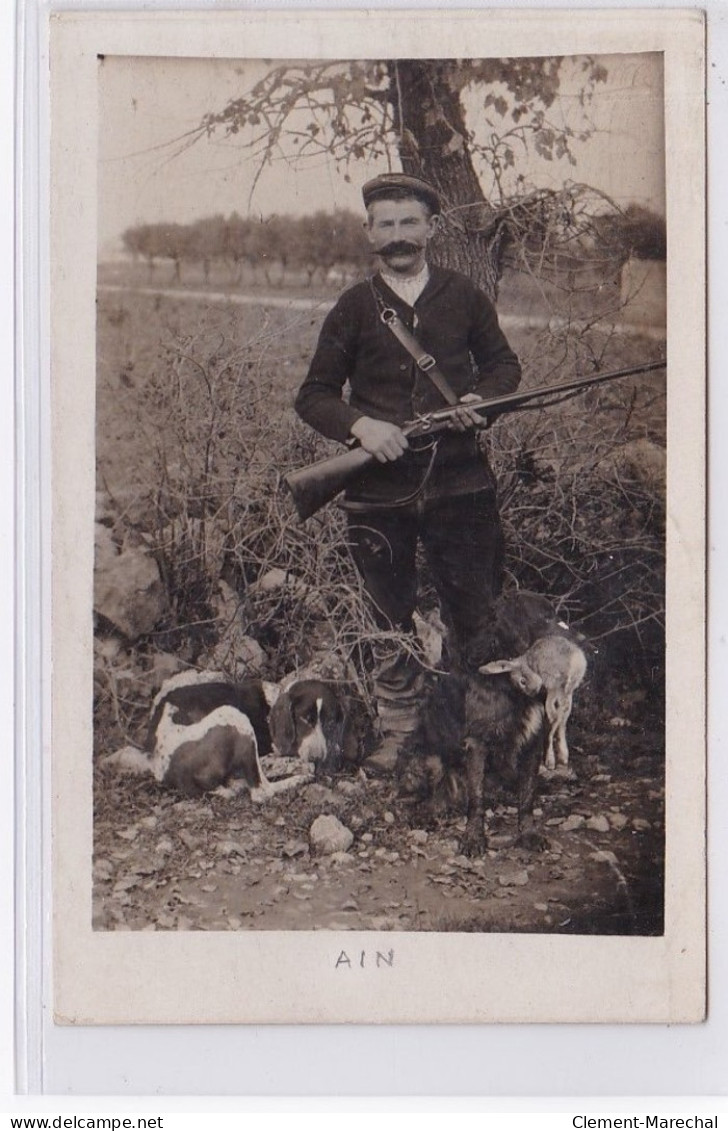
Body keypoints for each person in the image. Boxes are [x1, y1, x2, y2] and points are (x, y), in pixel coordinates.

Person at [294, 172, 522, 771]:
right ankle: (400, 733)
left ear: (431, 228)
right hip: (379, 492)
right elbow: (314, 395)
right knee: (385, 614)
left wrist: (482, 403)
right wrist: (363, 428)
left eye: (409, 222)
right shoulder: (354, 306)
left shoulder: (465, 295)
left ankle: (478, 735)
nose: (398, 235)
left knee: (475, 613)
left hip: (461, 484)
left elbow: (504, 367)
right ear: (370, 232)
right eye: (386, 224)